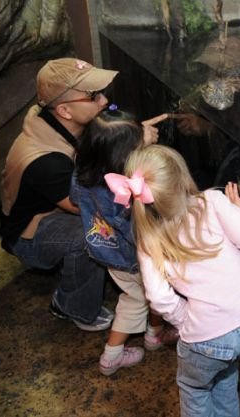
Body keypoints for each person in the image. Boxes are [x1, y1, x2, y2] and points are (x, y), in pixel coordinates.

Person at [120, 144, 240, 417]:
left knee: (195, 387)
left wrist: (186, 319)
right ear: (182, 176)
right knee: (225, 373)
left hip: (210, 338)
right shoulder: (212, 201)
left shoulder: (149, 239)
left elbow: (158, 298)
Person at [0, 57, 118, 331]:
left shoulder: (58, 122)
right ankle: (70, 305)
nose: (104, 101)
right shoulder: (45, 161)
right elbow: (84, 206)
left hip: (55, 209)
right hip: (30, 234)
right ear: (64, 110)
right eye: (93, 95)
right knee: (94, 232)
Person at [71, 106, 178, 376]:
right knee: (139, 299)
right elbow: (136, 234)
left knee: (146, 294)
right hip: (133, 257)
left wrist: (135, 135)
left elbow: (76, 199)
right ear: (124, 156)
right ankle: (111, 357)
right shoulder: (125, 194)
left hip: (107, 253)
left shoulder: (84, 171)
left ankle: (154, 335)